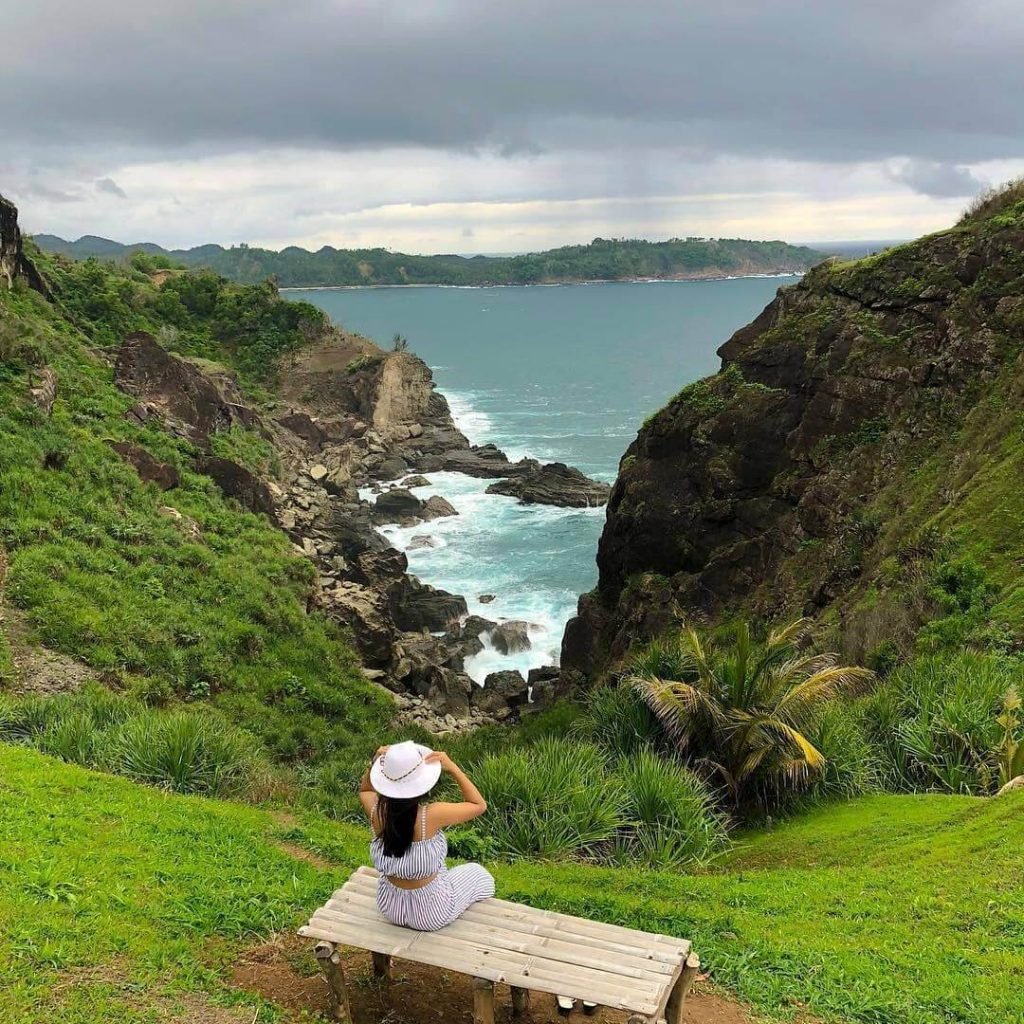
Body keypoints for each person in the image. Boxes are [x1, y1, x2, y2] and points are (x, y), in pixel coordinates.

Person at [358, 740, 495, 931]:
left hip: (390, 908)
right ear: (423, 787)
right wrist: (453, 768)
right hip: (431, 914)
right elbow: (479, 805)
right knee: (479, 874)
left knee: (441, 870)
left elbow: (365, 789)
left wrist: (375, 761)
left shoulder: (376, 812)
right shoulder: (431, 815)